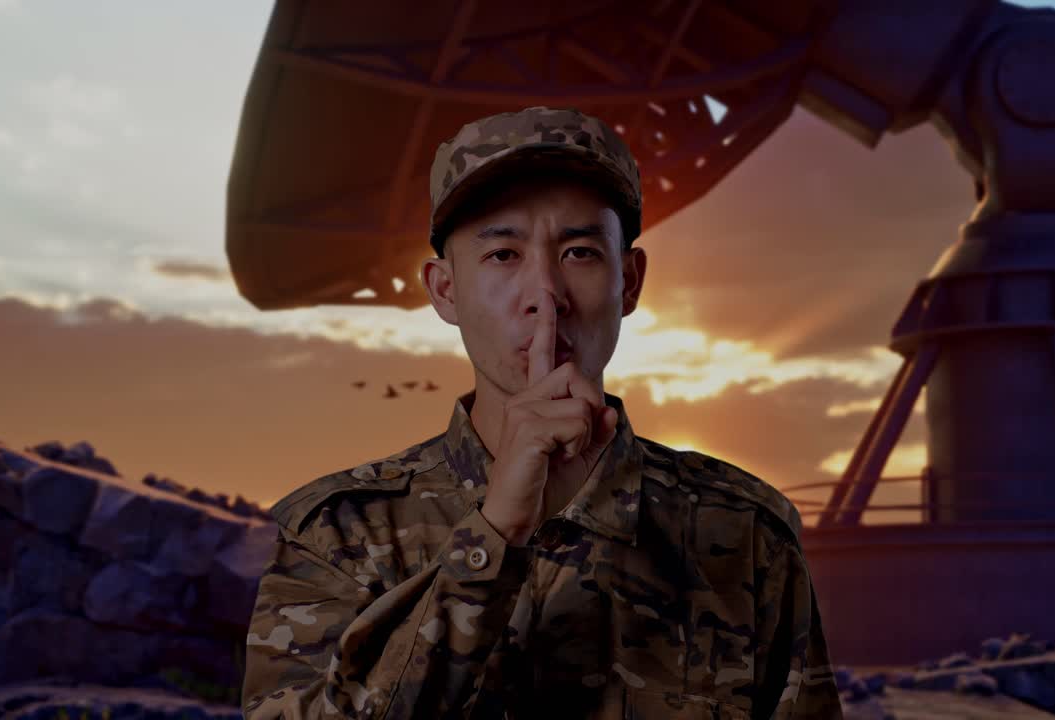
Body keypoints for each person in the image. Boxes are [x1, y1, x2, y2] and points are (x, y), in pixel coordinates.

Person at [241, 106, 844, 719]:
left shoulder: (744, 535)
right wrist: (493, 535)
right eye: (502, 254)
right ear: (445, 290)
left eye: (580, 252)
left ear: (629, 282)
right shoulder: (338, 536)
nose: (546, 295)